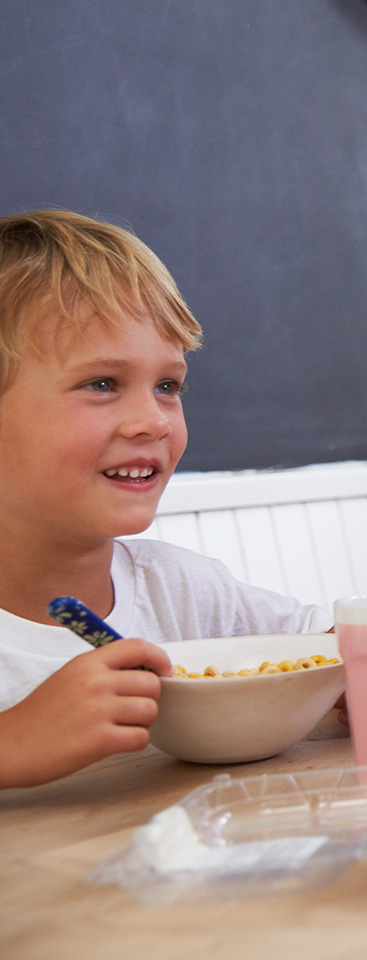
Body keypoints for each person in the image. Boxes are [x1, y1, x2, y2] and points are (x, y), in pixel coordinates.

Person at [0, 211, 331, 788]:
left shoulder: (182, 593)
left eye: (168, 386)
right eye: (102, 383)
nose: (152, 421)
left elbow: (329, 653)